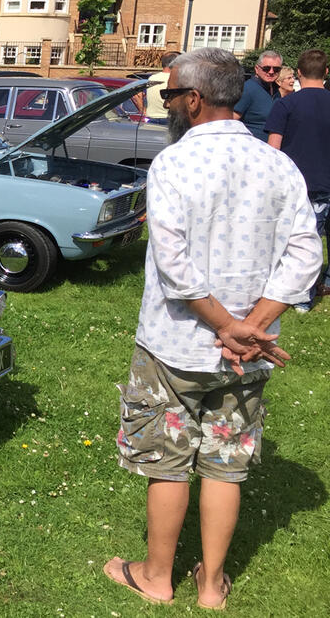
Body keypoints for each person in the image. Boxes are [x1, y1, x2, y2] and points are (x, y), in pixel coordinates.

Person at [104, 47, 320, 610]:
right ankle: (211, 584)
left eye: (169, 94)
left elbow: (173, 262)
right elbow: (305, 254)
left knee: (168, 460)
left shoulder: (173, 163)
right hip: (247, 351)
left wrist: (230, 325)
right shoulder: (279, 165)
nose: (166, 103)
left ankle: (155, 576)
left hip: (174, 344)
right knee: (226, 463)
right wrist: (253, 325)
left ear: (193, 100)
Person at [265, 49, 330, 311]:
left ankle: (303, 297)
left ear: (299, 73)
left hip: (300, 184)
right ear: (326, 73)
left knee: (304, 243)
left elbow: (273, 148)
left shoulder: (285, 104)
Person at [142, 50, 181, 124]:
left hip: (151, 118)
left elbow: (138, 95)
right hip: (169, 119)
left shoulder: (152, 78)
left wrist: (143, 110)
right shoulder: (176, 79)